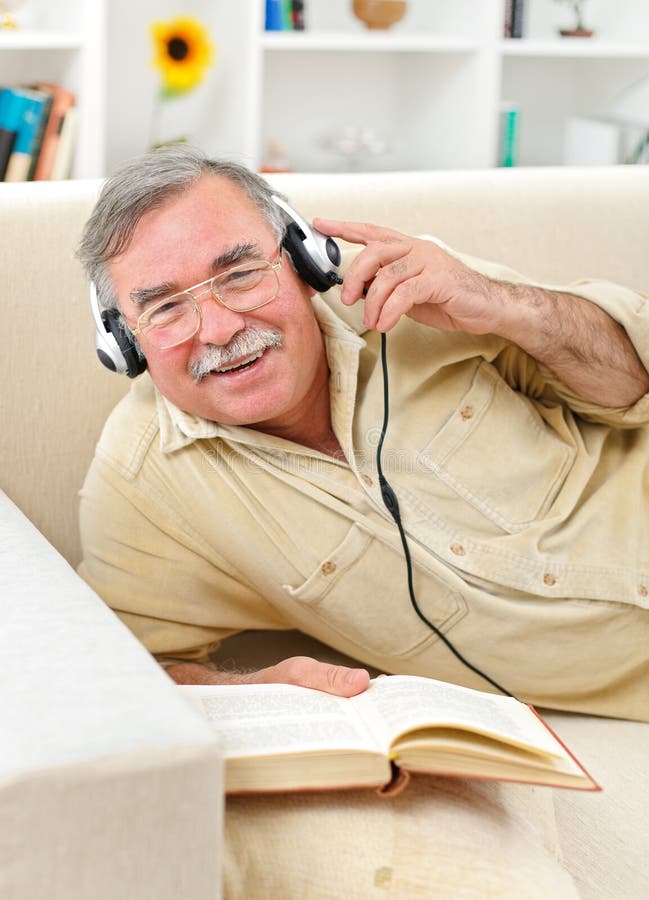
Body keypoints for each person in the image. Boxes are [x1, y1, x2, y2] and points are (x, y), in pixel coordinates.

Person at [77, 145, 649, 721]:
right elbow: (119, 670)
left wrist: (504, 304)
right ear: (123, 344)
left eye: (242, 274)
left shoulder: (414, 289)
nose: (221, 329)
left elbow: (634, 386)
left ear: (305, 263)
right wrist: (257, 690)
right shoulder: (143, 479)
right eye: (167, 308)